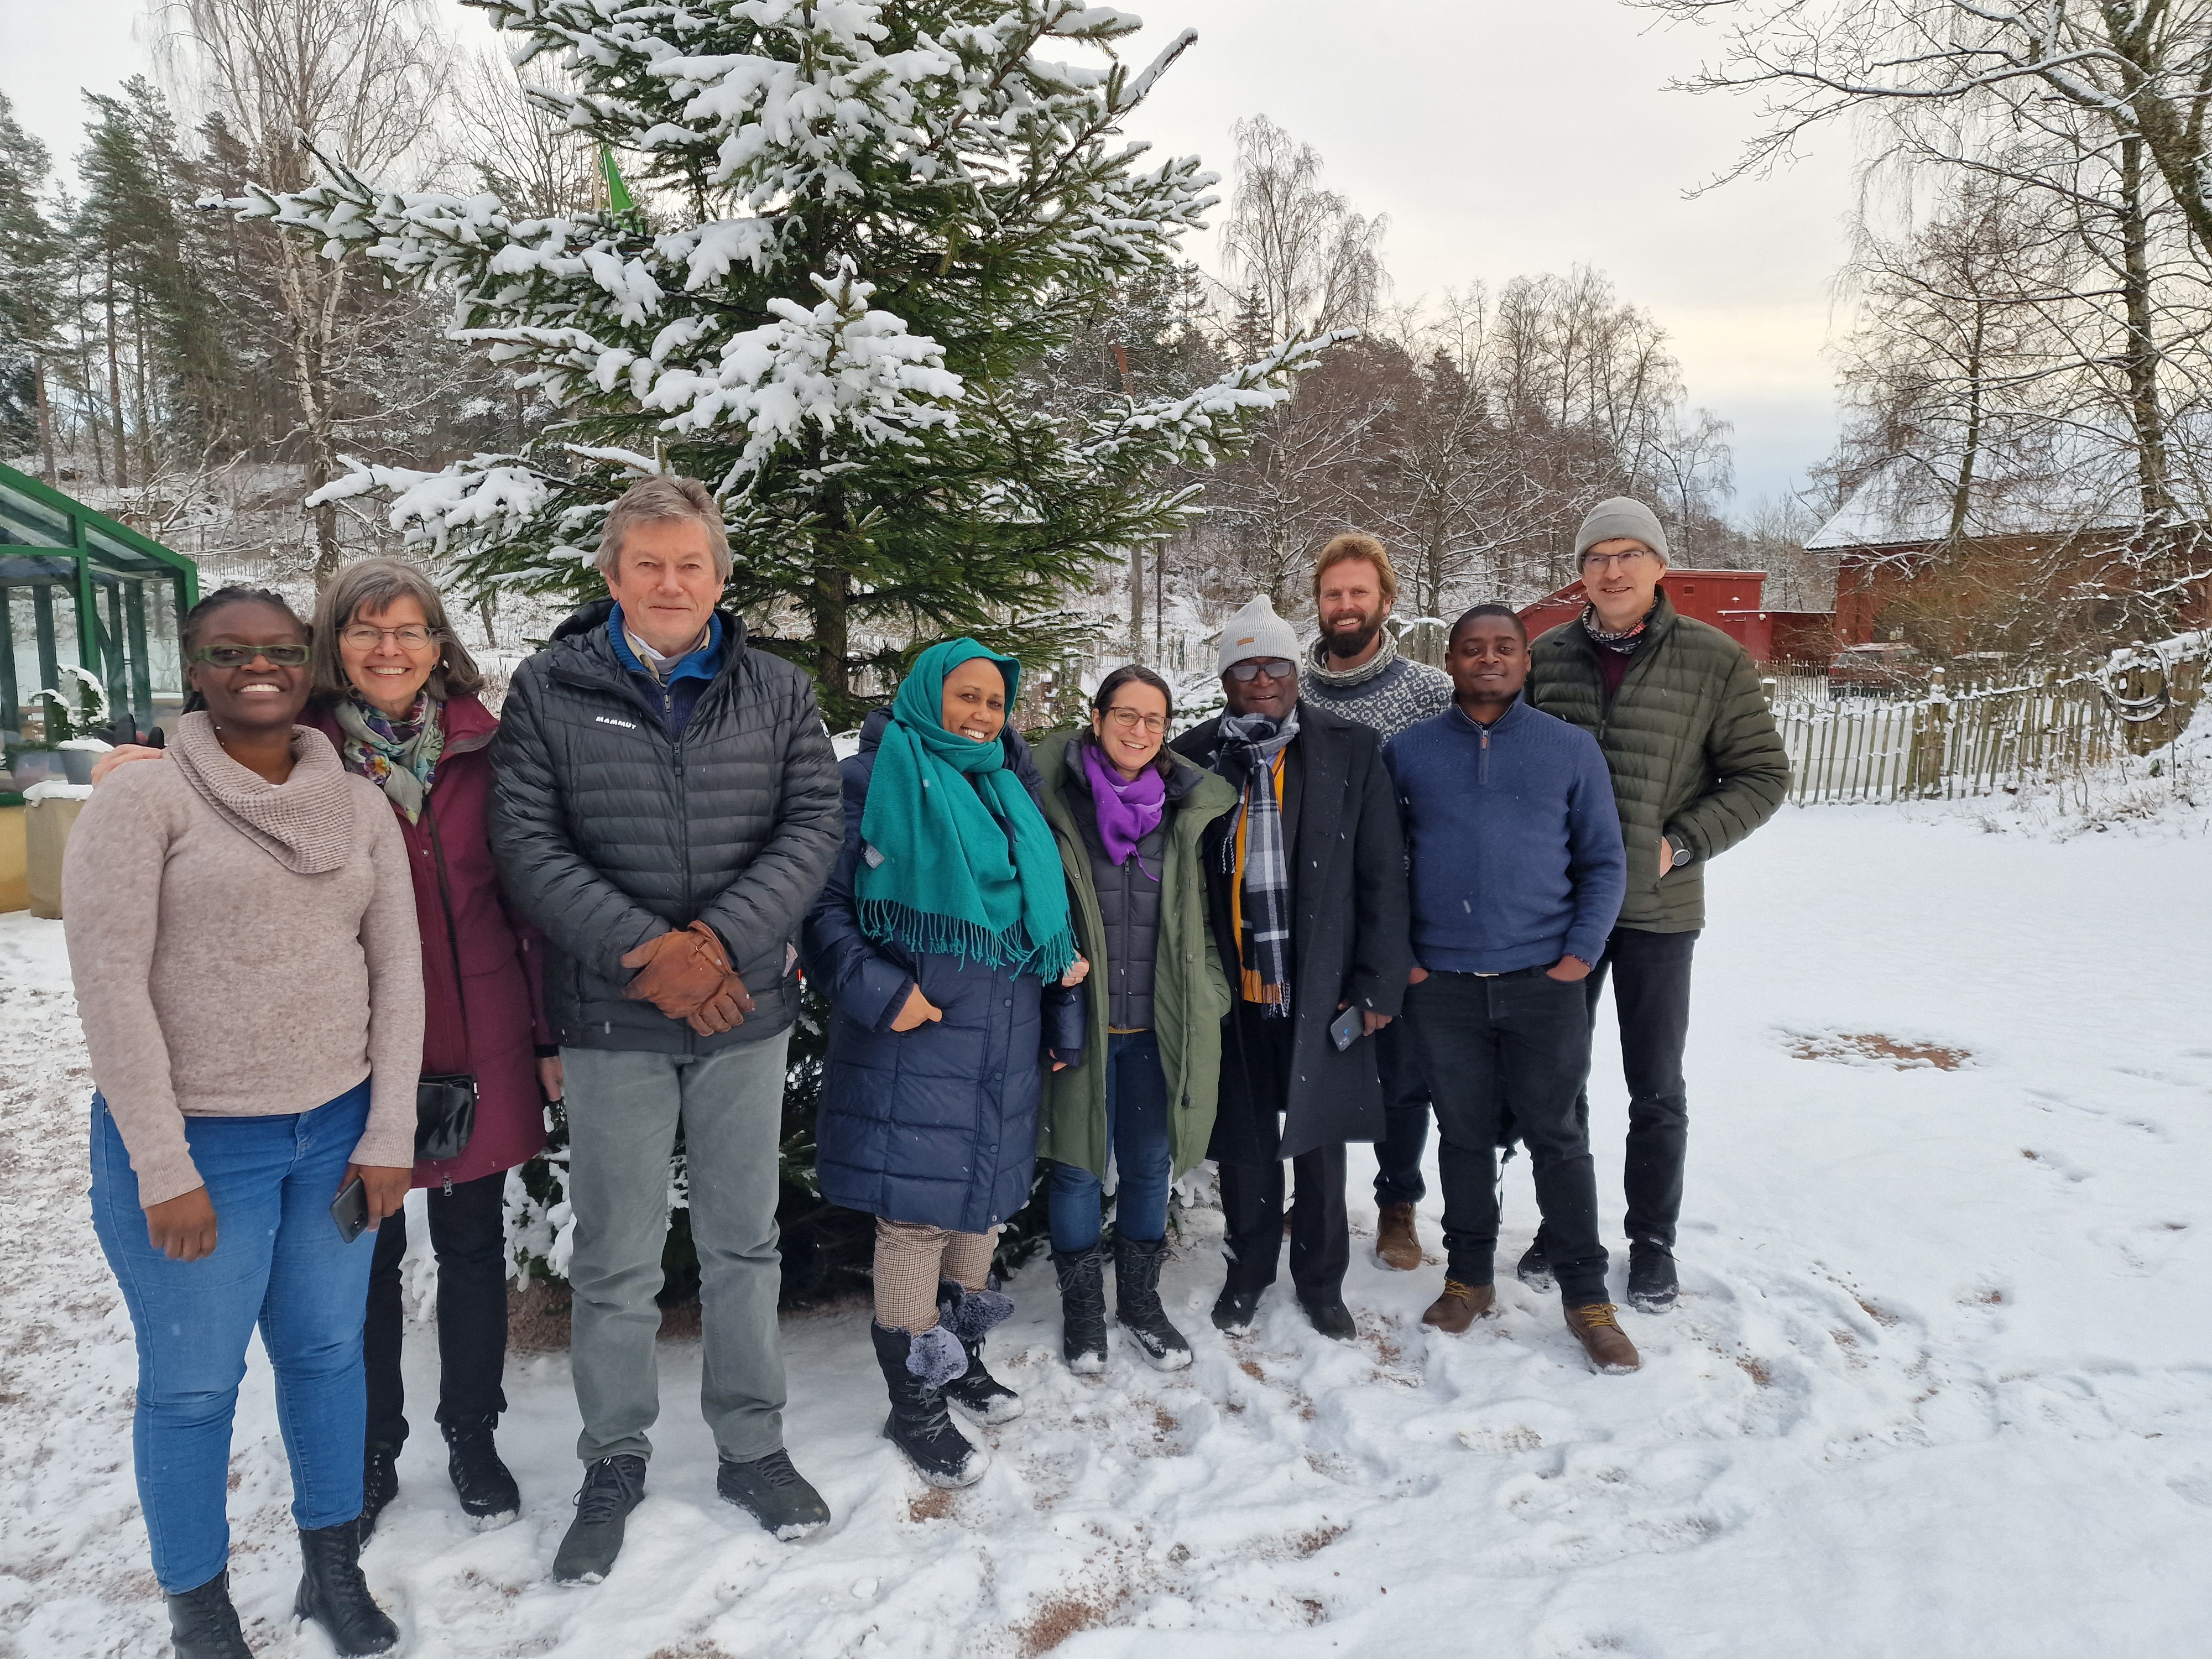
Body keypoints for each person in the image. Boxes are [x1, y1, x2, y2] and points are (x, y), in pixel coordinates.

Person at [95, 559, 562, 1539]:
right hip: (348, 1050)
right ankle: (370, 1445)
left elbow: (532, 897)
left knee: (474, 1246)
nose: (389, 649)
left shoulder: (490, 746)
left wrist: (550, 1035)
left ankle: (473, 1433)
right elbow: (192, 764)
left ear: (441, 644)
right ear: (332, 647)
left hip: (480, 1030)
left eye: (410, 629)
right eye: (364, 629)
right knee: (365, 1254)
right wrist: (136, 755)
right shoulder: (291, 751)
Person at [489, 476, 843, 1582]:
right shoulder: (549, 691)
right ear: (611, 578)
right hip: (613, 1016)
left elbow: (811, 823)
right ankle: (613, 1457)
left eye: (690, 563)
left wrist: (717, 946)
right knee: (618, 1257)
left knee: (744, 1240)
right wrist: (651, 954)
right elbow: (527, 844)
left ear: (721, 577)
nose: (670, 582)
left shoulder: (777, 692)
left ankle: (752, 1445)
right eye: (647, 564)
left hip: (742, 1012)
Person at [64, 586, 423, 1658]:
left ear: (310, 665)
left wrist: (389, 1131)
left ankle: (332, 1569)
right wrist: (160, 1162)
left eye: (277, 649)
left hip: (335, 1135)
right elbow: (109, 986)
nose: (254, 666)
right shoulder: (144, 802)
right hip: (198, 1148)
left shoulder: (359, 804)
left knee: (325, 1358)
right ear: (194, 665)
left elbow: (397, 972)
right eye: (228, 650)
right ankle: (200, 1610)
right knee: (191, 1388)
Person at [803, 639, 1088, 1488]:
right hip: (914, 1043)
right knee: (916, 1224)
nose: (979, 715)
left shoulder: (1011, 788)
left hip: (1005, 1039)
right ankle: (913, 1404)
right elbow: (820, 910)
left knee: (981, 1212)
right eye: (964, 697)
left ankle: (959, 1360)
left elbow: (1051, 916)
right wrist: (884, 993)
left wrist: (1062, 1018)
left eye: (994, 703)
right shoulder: (868, 783)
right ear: (926, 695)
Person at [1524, 497, 1790, 1311]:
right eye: (1596, 556)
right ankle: (1567, 1229)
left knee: (1655, 1085)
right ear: (1580, 571)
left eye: (1629, 553)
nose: (1611, 570)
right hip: (1560, 910)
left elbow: (1763, 776)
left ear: (1659, 565)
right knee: (1554, 1080)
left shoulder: (1713, 661)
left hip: (1657, 911)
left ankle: (1651, 1243)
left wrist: (1680, 842)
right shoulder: (1545, 657)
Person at [1387, 606, 1637, 1373]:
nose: (1488, 659)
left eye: (1503, 648)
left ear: (1526, 663)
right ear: (1452, 661)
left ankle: (1587, 1298)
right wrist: (1410, 960)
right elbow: (1384, 867)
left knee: (1559, 1137)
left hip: (1544, 984)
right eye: (1473, 649)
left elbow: (1604, 860)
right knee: (1462, 1136)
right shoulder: (1410, 753)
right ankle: (1468, 1279)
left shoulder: (1570, 751)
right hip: (1444, 986)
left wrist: (1579, 955)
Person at [1171, 596, 1411, 1342]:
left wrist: (1377, 983)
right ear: (1226, 680)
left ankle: (1321, 1281)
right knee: (1243, 1139)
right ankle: (1247, 1273)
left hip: (1324, 984)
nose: (1263, 679)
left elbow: (1383, 875)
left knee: (1320, 1139)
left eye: (1275, 664)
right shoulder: (1192, 756)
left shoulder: (1351, 748)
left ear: (1295, 671)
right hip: (1232, 988)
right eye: (1245, 667)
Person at [1033, 666, 1236, 1374]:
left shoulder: (1183, 810)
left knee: (1150, 1167)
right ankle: (1084, 1312)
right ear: (1096, 718)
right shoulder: (1054, 800)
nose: (1139, 731)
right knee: (1077, 1171)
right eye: (1126, 715)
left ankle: (1141, 1306)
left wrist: (1208, 993)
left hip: (1158, 1030)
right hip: (1079, 1027)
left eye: (1154, 720)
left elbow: (1205, 924)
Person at [1296, 534, 1451, 1275]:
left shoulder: (1430, 694)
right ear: (1319, 604)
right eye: (1334, 594)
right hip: (1314, 916)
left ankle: (1398, 1203)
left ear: (1386, 602)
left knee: (1400, 1071)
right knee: (1314, 1055)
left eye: (1360, 593)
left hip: (1404, 915)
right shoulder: (1291, 690)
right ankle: (1316, 1194)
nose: (1346, 606)